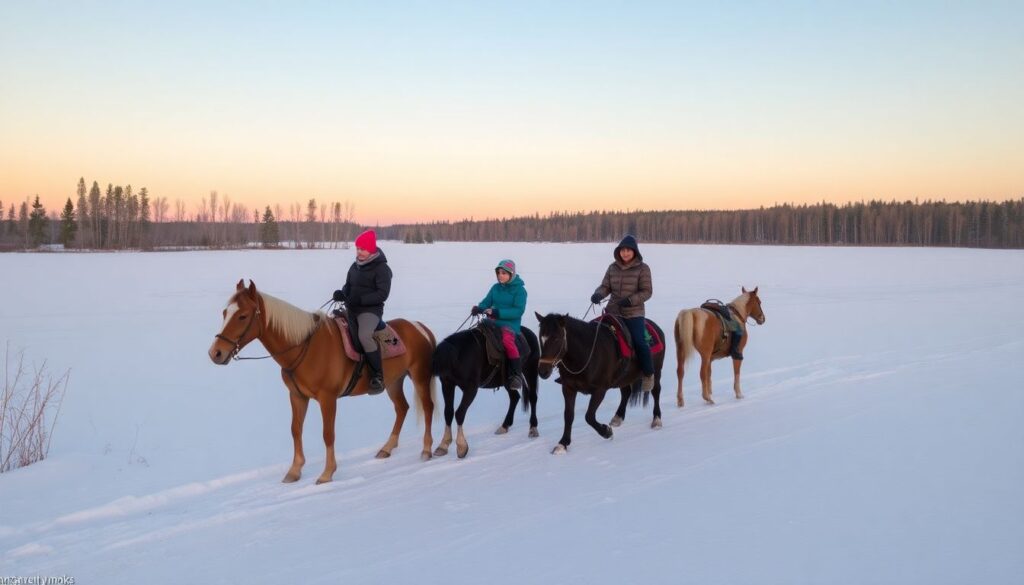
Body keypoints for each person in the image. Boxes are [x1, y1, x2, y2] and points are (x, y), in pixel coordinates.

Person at [590, 234, 655, 391]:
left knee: (639, 342)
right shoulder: (613, 267)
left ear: (634, 251)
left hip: (633, 313)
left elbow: (647, 291)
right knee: (592, 332)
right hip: (612, 311)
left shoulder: (643, 268)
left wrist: (631, 300)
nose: (625, 253)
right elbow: (605, 286)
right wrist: (598, 294)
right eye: (622, 250)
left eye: (628, 250)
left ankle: (648, 374)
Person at [333, 229, 392, 394]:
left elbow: (382, 294)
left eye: (362, 249)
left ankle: (377, 375)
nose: (359, 252)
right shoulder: (355, 266)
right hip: (352, 308)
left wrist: (360, 300)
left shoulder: (382, 268)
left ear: (371, 249)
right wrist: (342, 294)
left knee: (364, 335)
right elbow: (348, 286)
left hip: (371, 311)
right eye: (357, 248)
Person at [471, 259, 527, 392]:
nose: (500, 275)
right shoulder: (495, 288)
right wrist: (479, 308)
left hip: (509, 325)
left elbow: (518, 311)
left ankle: (516, 375)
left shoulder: (520, 291)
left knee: (508, 343)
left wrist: (497, 312)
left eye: (504, 273)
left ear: (511, 274)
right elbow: (486, 302)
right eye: (499, 273)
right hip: (492, 323)